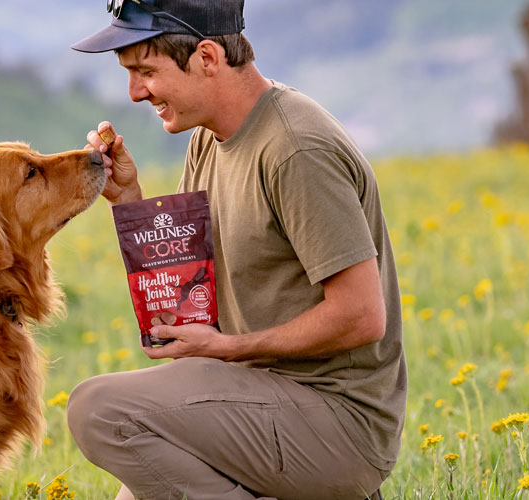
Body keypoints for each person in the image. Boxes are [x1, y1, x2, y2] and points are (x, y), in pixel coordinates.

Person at [63, 1, 405, 499]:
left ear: (206, 56)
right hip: (254, 401)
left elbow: (360, 316)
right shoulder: (210, 137)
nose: (135, 93)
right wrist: (130, 202)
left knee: (98, 410)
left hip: (336, 424)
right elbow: (187, 303)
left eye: (145, 71)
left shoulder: (296, 150)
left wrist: (228, 348)